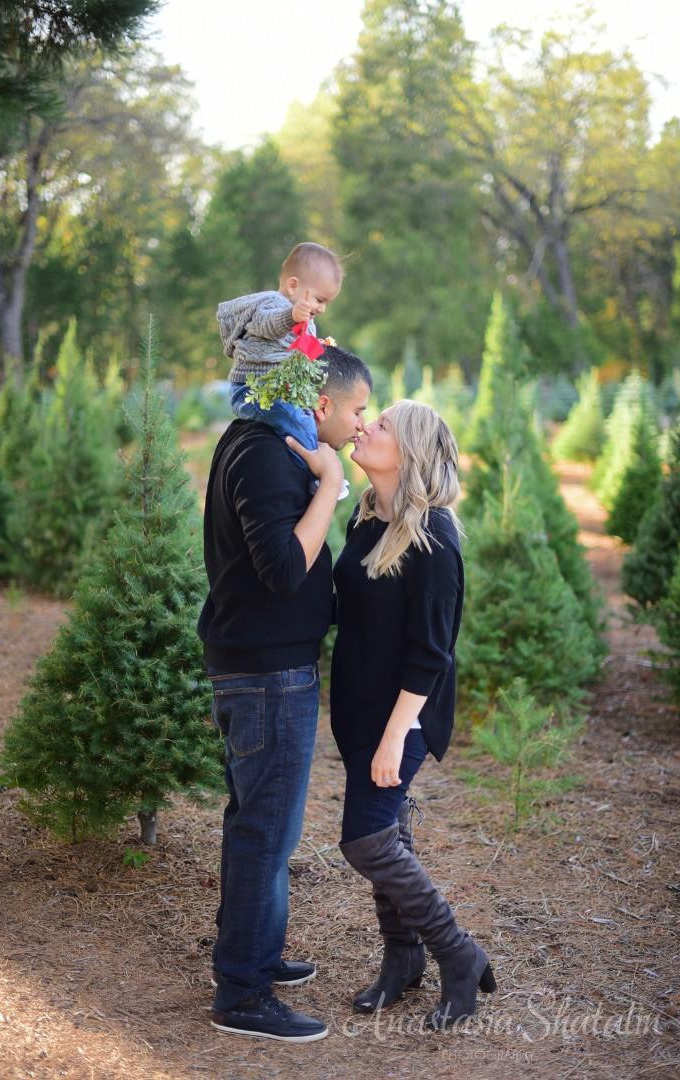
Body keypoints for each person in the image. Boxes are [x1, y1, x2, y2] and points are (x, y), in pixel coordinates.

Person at [301, 399, 497, 1031]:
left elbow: (430, 655)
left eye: (381, 423)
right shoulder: (366, 521)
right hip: (358, 710)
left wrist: (393, 740)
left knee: (367, 839)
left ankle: (457, 954)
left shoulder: (435, 539)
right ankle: (402, 959)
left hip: (403, 719)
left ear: (407, 451)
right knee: (389, 835)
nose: (366, 426)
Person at [198, 346, 372, 1042]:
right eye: (358, 410)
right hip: (267, 673)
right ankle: (242, 991)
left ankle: (253, 955)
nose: (363, 425)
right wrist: (331, 486)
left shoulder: (263, 440)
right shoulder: (272, 453)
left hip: (265, 665)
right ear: (322, 405)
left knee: (262, 825)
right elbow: (282, 569)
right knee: (265, 832)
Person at [217, 242, 343, 464]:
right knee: (296, 420)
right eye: (319, 299)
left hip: (278, 391)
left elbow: (299, 355)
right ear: (293, 286)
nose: (322, 308)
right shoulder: (272, 305)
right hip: (251, 391)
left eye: (327, 303)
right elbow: (266, 325)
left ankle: (304, 461)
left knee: (306, 417)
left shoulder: (307, 321)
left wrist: (320, 351)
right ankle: (315, 469)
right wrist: (290, 316)